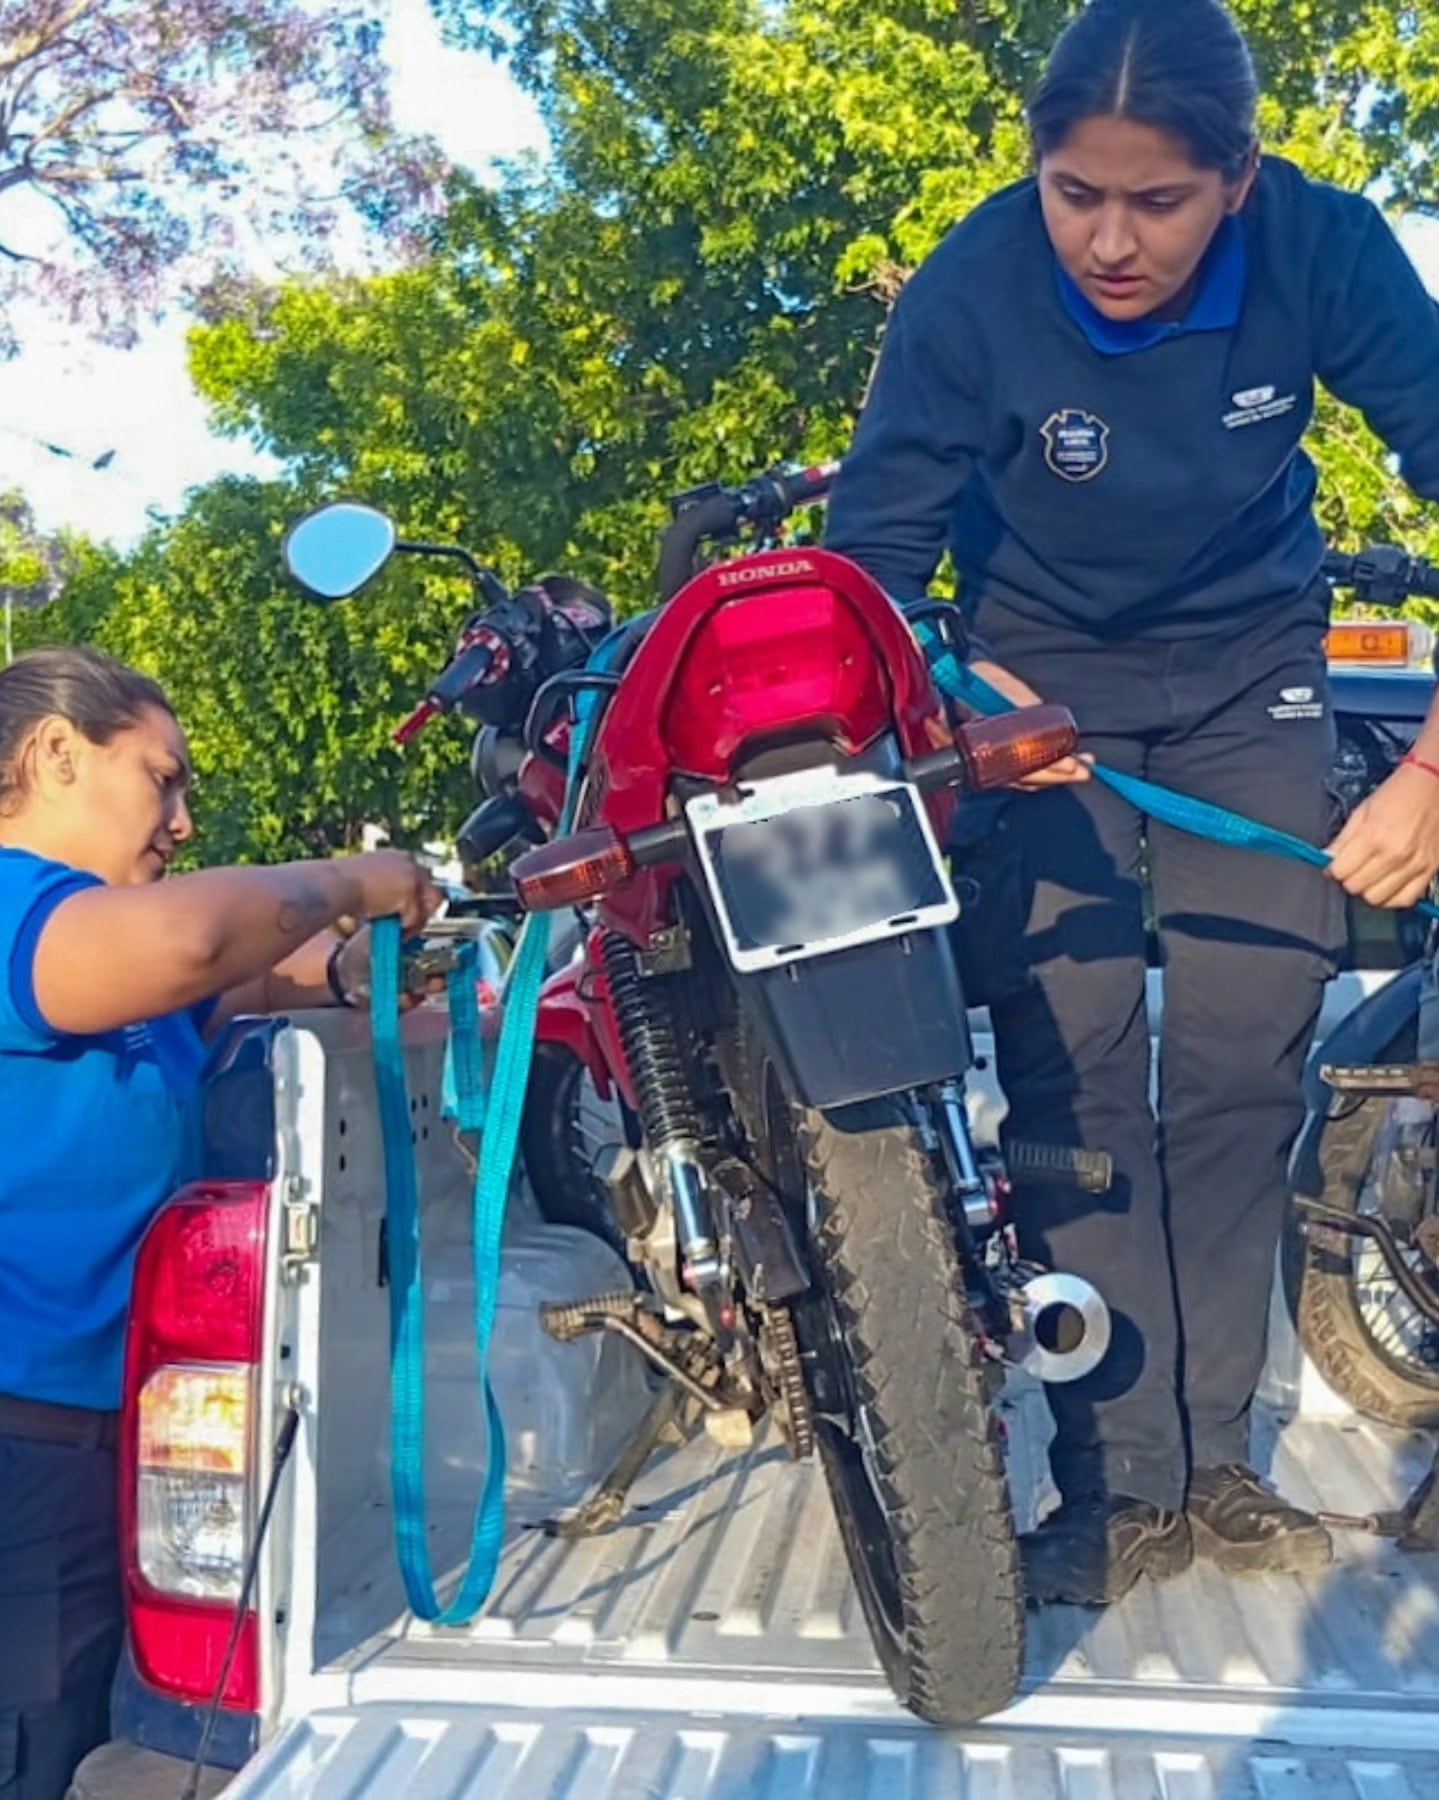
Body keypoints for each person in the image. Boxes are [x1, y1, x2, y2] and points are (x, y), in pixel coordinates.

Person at [825, 0, 1439, 1606]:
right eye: (1072, 193)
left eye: (1153, 202)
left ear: (1236, 180)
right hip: (1032, 690)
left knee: (1242, 1057)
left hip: (1252, 676)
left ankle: (1218, 1461)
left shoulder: (1325, 252)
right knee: (1070, 1072)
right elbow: (874, 565)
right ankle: (1113, 1481)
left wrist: (1433, 774)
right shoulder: (967, 289)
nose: (1106, 239)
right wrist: (948, 717)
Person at [0, 646, 440, 1798]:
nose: (182, 820)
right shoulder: (20, 913)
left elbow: (245, 972)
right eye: (162, 778)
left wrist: (360, 968)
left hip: (115, 1460)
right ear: (54, 756)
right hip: (26, 1460)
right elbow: (199, 943)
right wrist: (353, 876)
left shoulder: (102, 956)